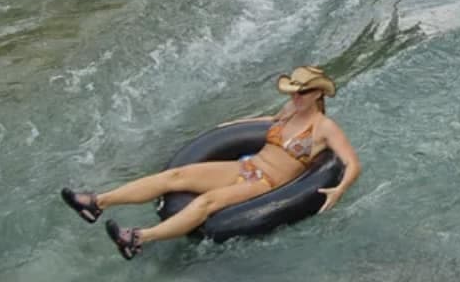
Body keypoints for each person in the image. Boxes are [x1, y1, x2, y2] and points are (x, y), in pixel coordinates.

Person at [60, 66, 360, 261]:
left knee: (206, 203)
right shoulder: (289, 110)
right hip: (246, 167)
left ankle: (138, 238)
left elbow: (351, 163)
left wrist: (340, 190)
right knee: (177, 176)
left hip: (264, 183)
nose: (296, 96)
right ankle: (97, 202)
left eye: (303, 92)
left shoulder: (325, 127)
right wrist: (232, 124)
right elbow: (268, 121)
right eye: (294, 91)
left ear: (318, 93)